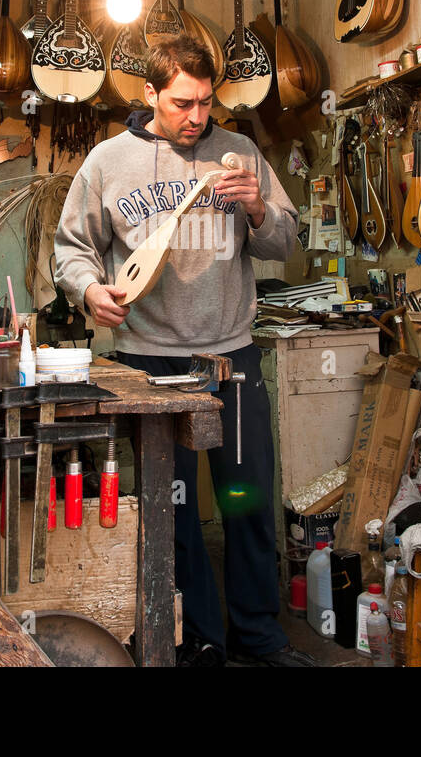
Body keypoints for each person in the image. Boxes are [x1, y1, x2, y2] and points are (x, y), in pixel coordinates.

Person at [54, 34, 313, 667]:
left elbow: (285, 242)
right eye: (181, 103)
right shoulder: (108, 162)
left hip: (232, 356)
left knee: (246, 500)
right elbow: (72, 249)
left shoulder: (240, 152)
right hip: (148, 362)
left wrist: (259, 209)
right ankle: (196, 637)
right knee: (172, 509)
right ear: (149, 94)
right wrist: (90, 292)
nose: (197, 116)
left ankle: (258, 635)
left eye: (205, 102)